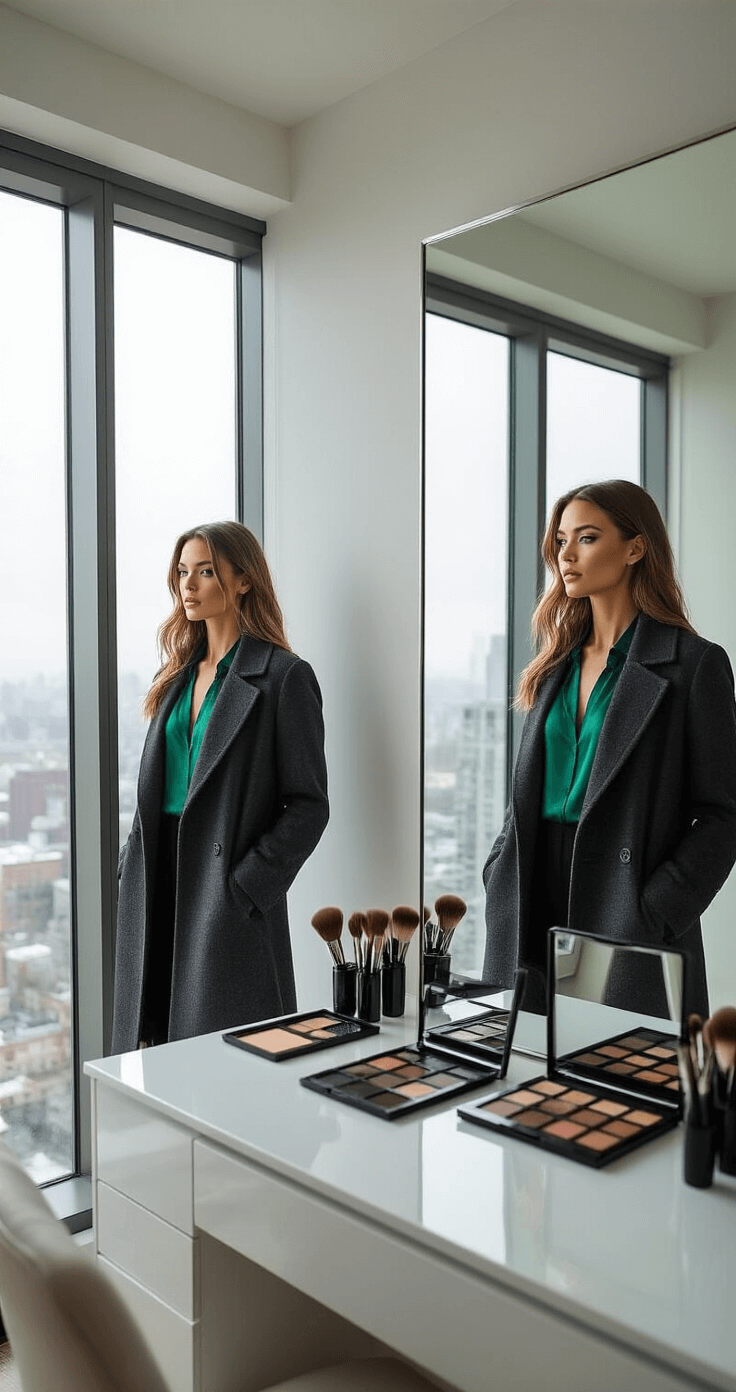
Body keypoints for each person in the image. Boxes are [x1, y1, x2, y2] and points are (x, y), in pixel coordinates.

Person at [482, 479, 736, 1019]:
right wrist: (499, 867)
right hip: (530, 892)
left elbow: (721, 816)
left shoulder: (694, 665)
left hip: (622, 897)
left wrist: (658, 908)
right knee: (527, 1077)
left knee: (613, 1080)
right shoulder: (553, 666)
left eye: (587, 538)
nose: (565, 556)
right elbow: (525, 795)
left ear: (635, 548)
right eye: (560, 540)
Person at [112, 521, 329, 1051]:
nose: (189, 585)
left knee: (221, 1059)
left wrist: (248, 885)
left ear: (243, 580)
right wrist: (130, 862)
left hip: (222, 888)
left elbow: (308, 805)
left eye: (205, 572)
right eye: (183, 572)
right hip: (158, 876)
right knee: (152, 1044)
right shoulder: (178, 675)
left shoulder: (283, 676)